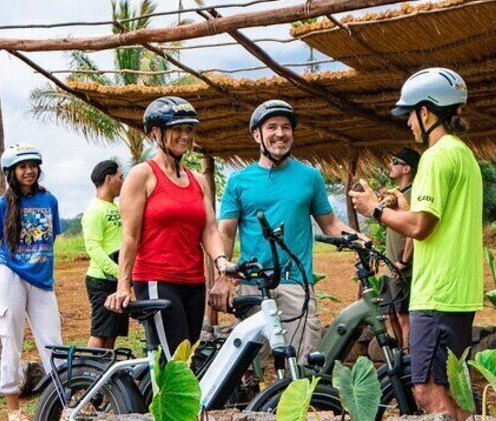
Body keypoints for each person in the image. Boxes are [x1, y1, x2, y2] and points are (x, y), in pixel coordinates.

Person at [350, 68, 483, 421]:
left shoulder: (436, 158)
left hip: (437, 292)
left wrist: (373, 210)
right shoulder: (463, 155)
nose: (408, 122)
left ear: (426, 112)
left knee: (427, 389)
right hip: (458, 289)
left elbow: (421, 226)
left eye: (410, 113)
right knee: (453, 387)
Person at [209, 100, 361, 361]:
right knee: (247, 366)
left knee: (302, 363)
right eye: (272, 127)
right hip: (253, 283)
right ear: (257, 134)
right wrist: (222, 277)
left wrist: (360, 240)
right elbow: (225, 233)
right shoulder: (239, 181)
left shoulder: (309, 177)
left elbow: (330, 224)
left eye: (286, 127)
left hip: (297, 285)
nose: (280, 133)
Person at [105, 97, 234, 356]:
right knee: (178, 362)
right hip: (156, 280)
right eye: (177, 129)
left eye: (189, 129)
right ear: (156, 133)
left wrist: (221, 261)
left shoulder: (198, 180)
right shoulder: (142, 175)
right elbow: (130, 237)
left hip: (195, 282)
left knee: (187, 357)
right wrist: (123, 285)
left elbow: (209, 229)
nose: (185, 136)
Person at [0, 143, 63, 421]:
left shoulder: (49, 200)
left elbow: (49, 241)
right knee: (11, 341)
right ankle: (14, 412)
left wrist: (37, 265)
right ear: (12, 172)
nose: (29, 171)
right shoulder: (2, 205)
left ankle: (64, 405)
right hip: (9, 276)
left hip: (41, 280)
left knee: (52, 341)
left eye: (33, 166)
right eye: (22, 167)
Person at [82, 159, 127, 349]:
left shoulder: (115, 207)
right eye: (120, 177)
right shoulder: (94, 210)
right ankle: (85, 375)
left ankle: (103, 374)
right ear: (109, 179)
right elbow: (93, 248)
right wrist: (119, 272)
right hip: (101, 280)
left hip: (116, 280)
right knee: (100, 332)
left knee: (112, 332)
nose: (122, 181)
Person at [380, 147, 420, 348]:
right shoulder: (396, 195)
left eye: (395, 161)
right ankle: (397, 355)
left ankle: (408, 358)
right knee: (388, 313)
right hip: (390, 266)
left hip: (402, 267)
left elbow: (414, 231)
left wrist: (404, 261)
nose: (391, 165)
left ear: (407, 169)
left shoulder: (413, 194)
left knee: (403, 315)